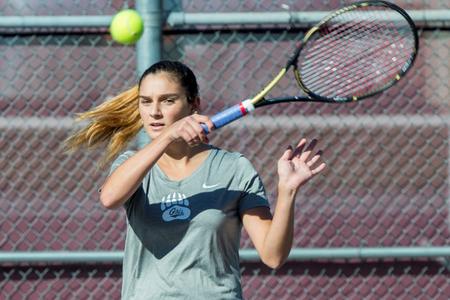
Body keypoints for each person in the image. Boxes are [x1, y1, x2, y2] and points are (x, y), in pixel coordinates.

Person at [65, 60, 326, 299]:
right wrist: (168, 136)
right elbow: (109, 198)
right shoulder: (131, 166)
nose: (155, 112)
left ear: (194, 105)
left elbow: (273, 256)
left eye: (167, 101)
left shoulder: (234, 168)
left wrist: (287, 191)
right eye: (146, 101)